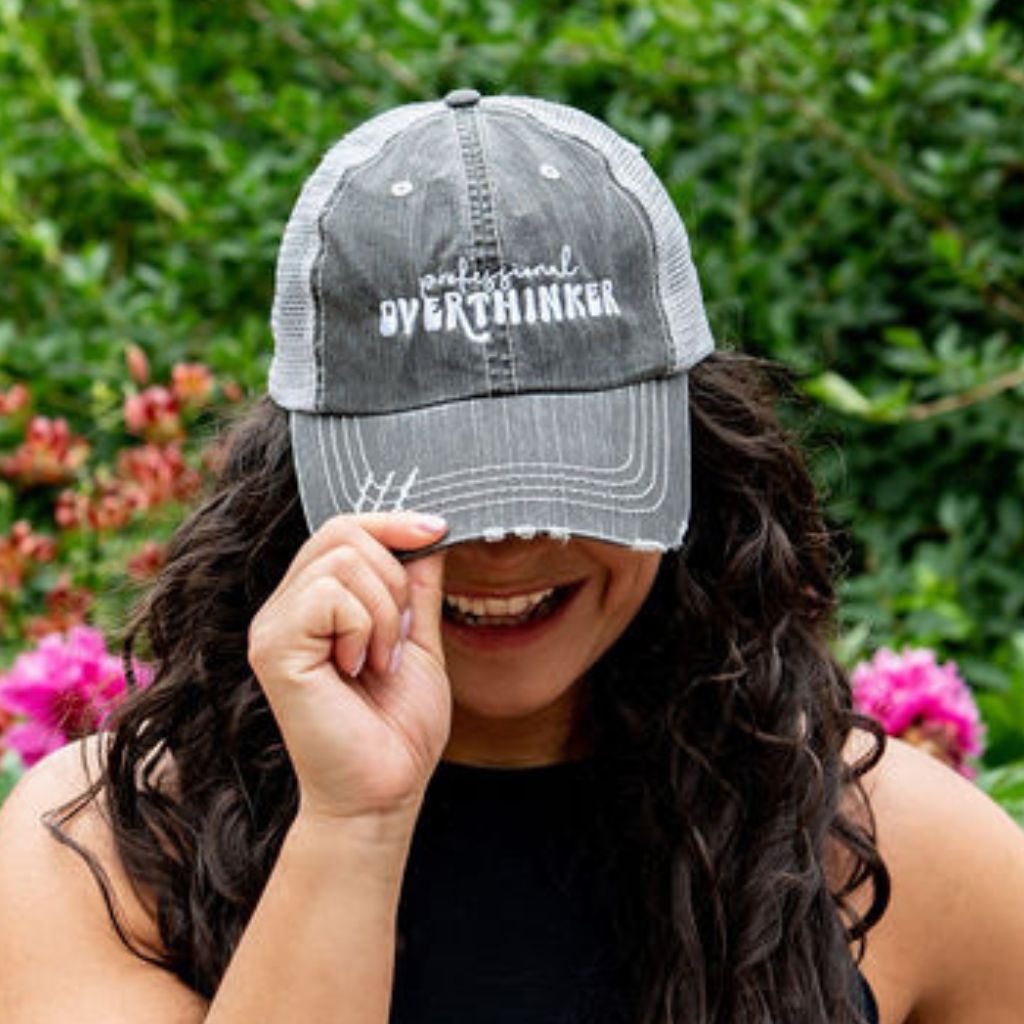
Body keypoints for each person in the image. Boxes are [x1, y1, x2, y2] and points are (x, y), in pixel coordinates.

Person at [1, 90, 1023, 1024]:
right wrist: (353, 821)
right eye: (437, 478)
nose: (506, 538)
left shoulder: (893, 850)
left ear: (695, 454)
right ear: (298, 478)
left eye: (568, 469)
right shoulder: (111, 848)